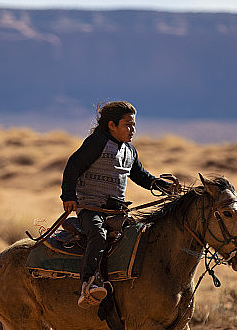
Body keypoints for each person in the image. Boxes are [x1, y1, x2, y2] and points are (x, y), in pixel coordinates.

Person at [61, 101, 172, 308]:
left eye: (134, 125)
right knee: (98, 234)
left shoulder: (130, 150)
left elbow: (140, 176)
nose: (132, 130)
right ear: (111, 125)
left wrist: (159, 185)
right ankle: (89, 284)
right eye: (127, 124)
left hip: (116, 212)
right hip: (91, 209)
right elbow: (73, 165)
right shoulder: (97, 142)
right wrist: (68, 196)